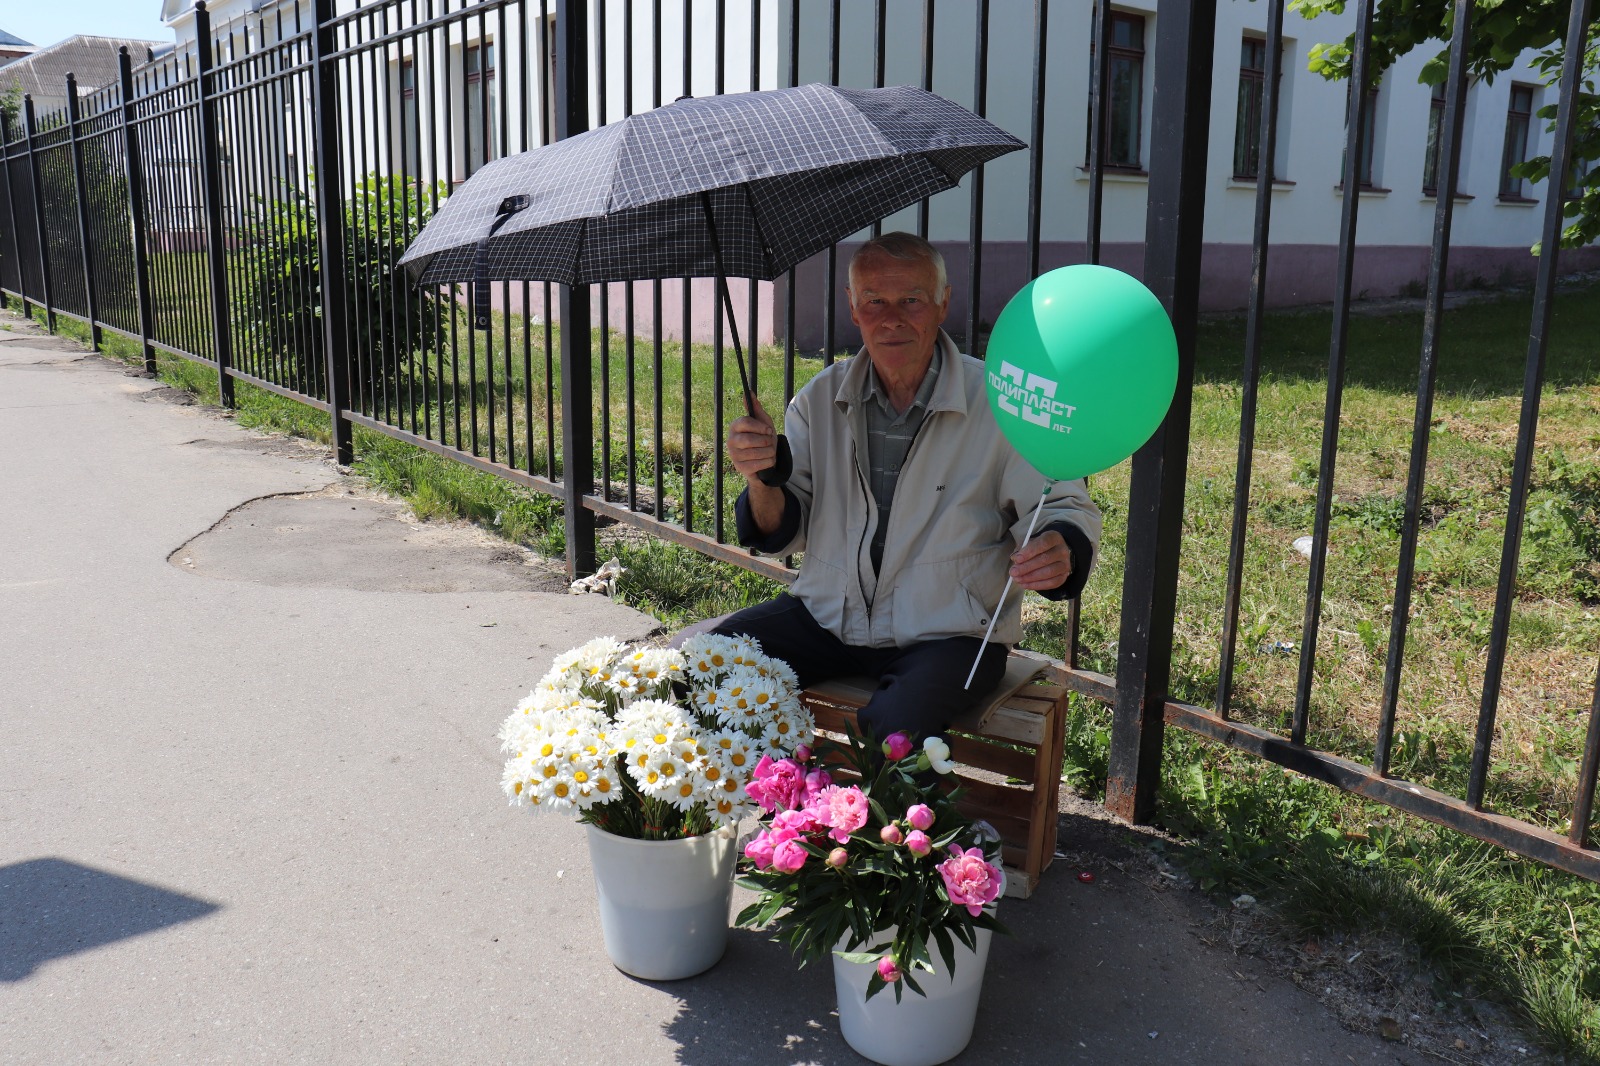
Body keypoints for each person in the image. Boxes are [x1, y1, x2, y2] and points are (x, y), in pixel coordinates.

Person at [716, 231, 1102, 742]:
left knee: (895, 733)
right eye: (874, 300)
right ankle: (757, 805)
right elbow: (783, 531)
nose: (891, 317)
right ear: (853, 309)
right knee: (711, 664)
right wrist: (761, 477)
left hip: (950, 631)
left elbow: (1062, 504)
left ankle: (873, 824)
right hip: (830, 614)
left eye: (911, 300)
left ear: (943, 303)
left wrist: (1061, 547)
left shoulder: (1002, 404)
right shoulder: (819, 400)